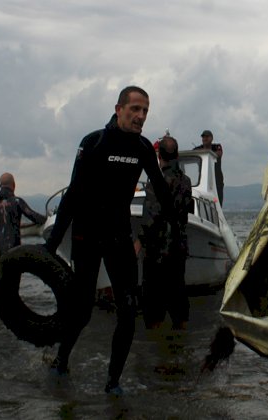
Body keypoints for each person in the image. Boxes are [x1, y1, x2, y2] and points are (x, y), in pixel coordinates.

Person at [44, 86, 176, 396]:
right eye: (135, 109)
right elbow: (73, 194)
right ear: (119, 109)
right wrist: (50, 247)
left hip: (118, 236)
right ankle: (61, 359)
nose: (141, 116)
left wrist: (171, 225)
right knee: (83, 311)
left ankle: (112, 383)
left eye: (145, 110)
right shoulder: (94, 143)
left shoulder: (143, 148)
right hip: (87, 235)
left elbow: (160, 189)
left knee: (129, 310)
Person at [136, 135, 194, 330]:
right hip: (178, 248)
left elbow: (151, 217)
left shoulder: (157, 181)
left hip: (157, 251)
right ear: (177, 154)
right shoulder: (186, 181)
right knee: (178, 297)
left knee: (153, 304)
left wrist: (138, 243)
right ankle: (179, 347)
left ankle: (156, 350)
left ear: (159, 156)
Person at [0, 172, 46, 267]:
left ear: (0, 186)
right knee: (12, 279)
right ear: (14, 185)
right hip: (12, 249)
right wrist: (50, 219)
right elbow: (35, 217)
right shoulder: (17, 202)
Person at [193, 129, 224, 204]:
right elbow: (192, 154)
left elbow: (219, 154)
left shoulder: (217, 146)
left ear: (211, 138)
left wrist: (206, 152)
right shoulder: (198, 149)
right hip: (203, 180)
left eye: (207, 136)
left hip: (217, 179)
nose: (205, 139)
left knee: (217, 202)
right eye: (203, 137)